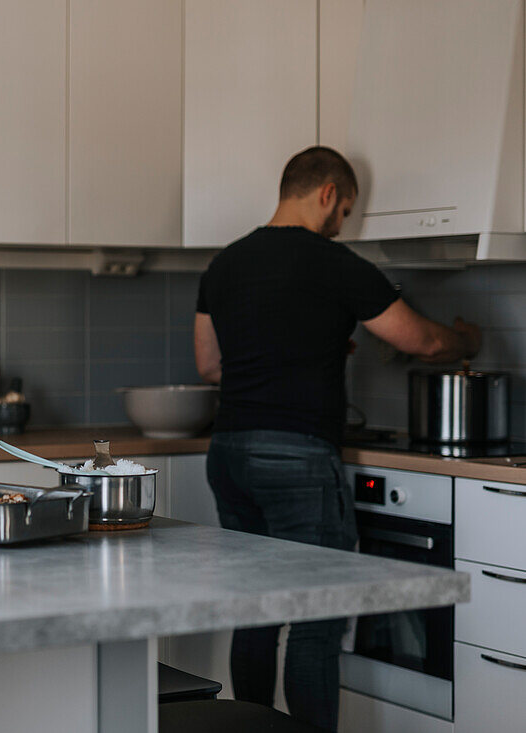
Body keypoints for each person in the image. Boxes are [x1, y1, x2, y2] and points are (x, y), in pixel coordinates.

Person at [193, 146, 480, 731]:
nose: (342, 223)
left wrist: (307, 346)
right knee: (317, 617)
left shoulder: (224, 265)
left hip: (229, 453)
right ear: (327, 194)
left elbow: (210, 365)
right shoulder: (332, 262)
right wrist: (464, 343)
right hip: (296, 456)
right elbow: (419, 342)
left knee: (256, 610)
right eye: (345, 210)